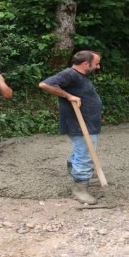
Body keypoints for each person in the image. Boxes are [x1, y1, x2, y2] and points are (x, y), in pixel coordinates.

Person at [39, 50, 103, 205]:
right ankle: (80, 188)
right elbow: (45, 84)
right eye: (96, 64)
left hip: (87, 122)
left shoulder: (80, 77)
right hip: (79, 123)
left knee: (82, 151)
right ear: (86, 64)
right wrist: (69, 96)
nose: (98, 67)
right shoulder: (71, 74)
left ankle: (74, 169)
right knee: (85, 154)